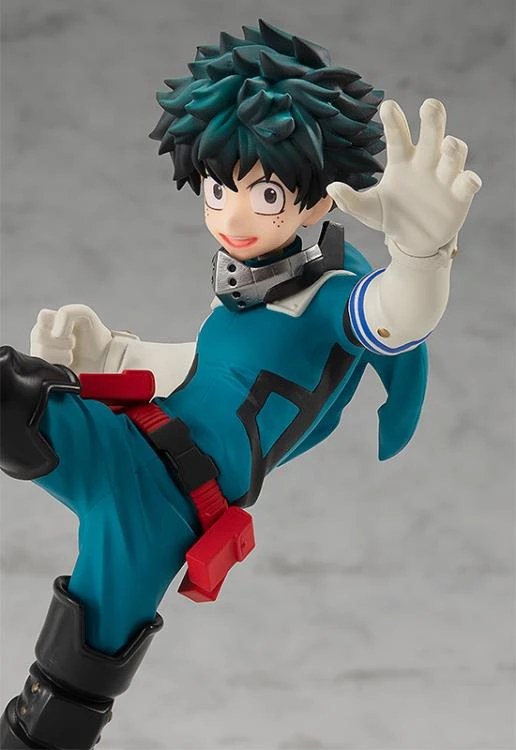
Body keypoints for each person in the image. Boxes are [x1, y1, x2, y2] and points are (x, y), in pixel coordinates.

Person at [0, 19, 481, 750]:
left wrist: (424, 254)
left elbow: (395, 318)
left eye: (266, 195)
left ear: (319, 201)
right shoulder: (244, 294)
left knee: (63, 694)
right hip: (129, 444)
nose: (232, 215)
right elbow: (210, 374)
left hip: (165, 502)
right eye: (217, 189)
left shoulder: (331, 298)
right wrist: (113, 353)